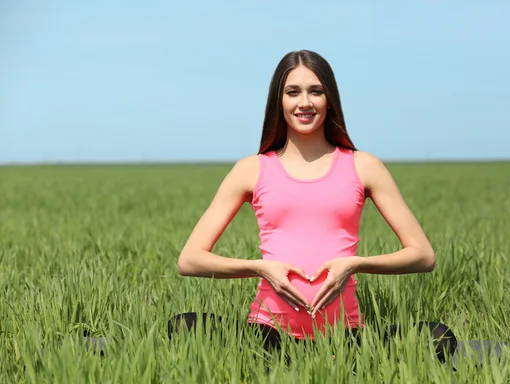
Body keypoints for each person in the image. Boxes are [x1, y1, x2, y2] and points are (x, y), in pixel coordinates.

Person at [169, 49, 456, 362]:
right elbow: (190, 260)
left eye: (315, 91)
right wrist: (260, 268)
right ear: (279, 101)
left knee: (438, 336)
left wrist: (355, 264)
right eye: (293, 92)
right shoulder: (252, 169)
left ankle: (318, 367)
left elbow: (422, 255)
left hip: (344, 338)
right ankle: (288, 365)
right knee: (183, 327)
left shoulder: (363, 166)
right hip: (267, 334)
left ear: (328, 98)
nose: (304, 102)